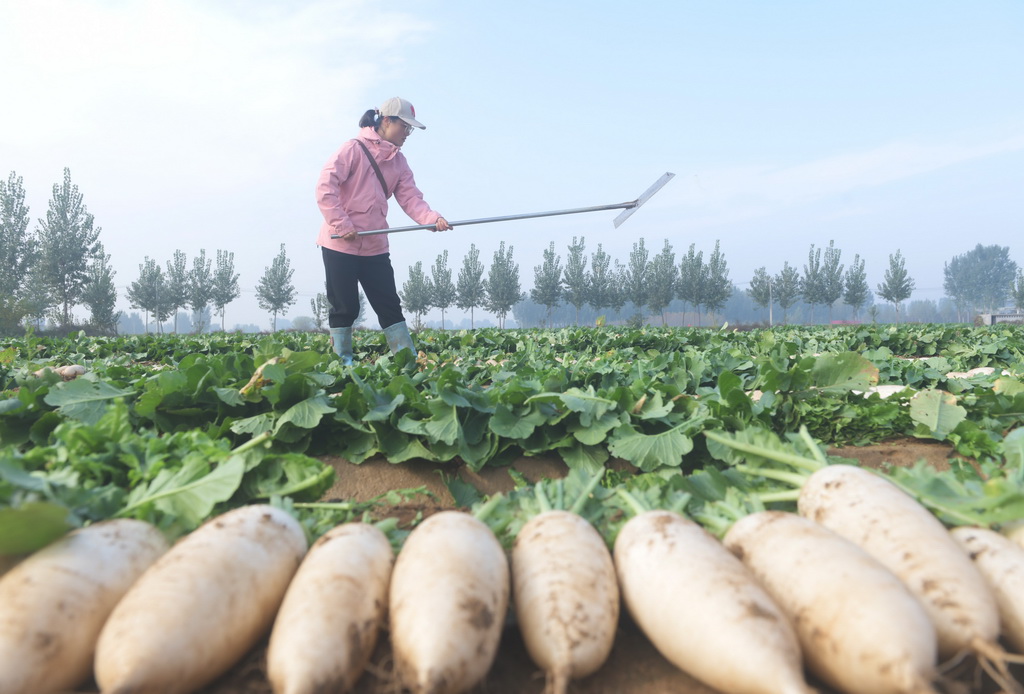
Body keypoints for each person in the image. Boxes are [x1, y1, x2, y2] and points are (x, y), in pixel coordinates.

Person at [315, 97, 450, 365]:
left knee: (389, 305)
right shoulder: (352, 149)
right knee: (346, 307)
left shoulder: (399, 163)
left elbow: (412, 199)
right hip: (340, 243)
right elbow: (324, 188)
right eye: (405, 127)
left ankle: (407, 360)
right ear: (387, 122)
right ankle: (342, 364)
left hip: (375, 245)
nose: (407, 134)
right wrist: (343, 225)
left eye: (410, 129)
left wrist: (432, 218)